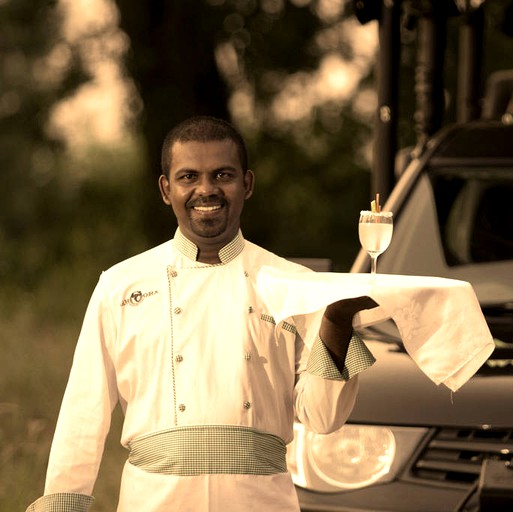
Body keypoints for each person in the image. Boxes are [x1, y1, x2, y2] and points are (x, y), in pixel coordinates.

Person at [26, 115, 378, 511]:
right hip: (154, 501)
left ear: (247, 184)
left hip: (260, 502)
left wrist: (336, 323)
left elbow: (321, 417)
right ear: (166, 189)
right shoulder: (120, 285)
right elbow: (83, 411)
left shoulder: (293, 285)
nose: (206, 190)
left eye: (222, 175)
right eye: (188, 176)